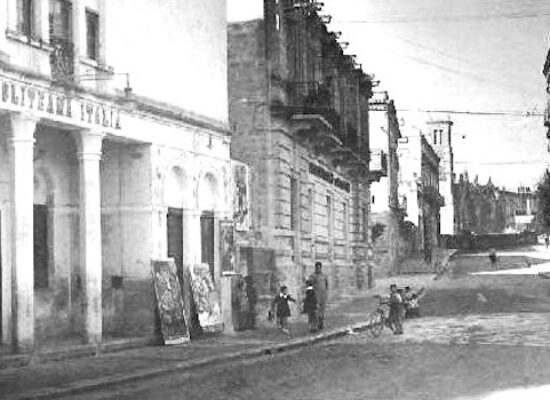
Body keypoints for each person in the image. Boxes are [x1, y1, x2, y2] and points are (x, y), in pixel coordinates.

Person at [310, 261, 329, 330]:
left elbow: (326, 284)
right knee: (316, 311)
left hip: (323, 295)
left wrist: (326, 293)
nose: (318, 269)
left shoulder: (324, 275)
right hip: (316, 295)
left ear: (321, 268)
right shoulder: (313, 275)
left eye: (319, 268)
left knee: (322, 310)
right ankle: (314, 326)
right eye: (317, 268)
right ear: (315, 268)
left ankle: (321, 324)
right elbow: (310, 285)